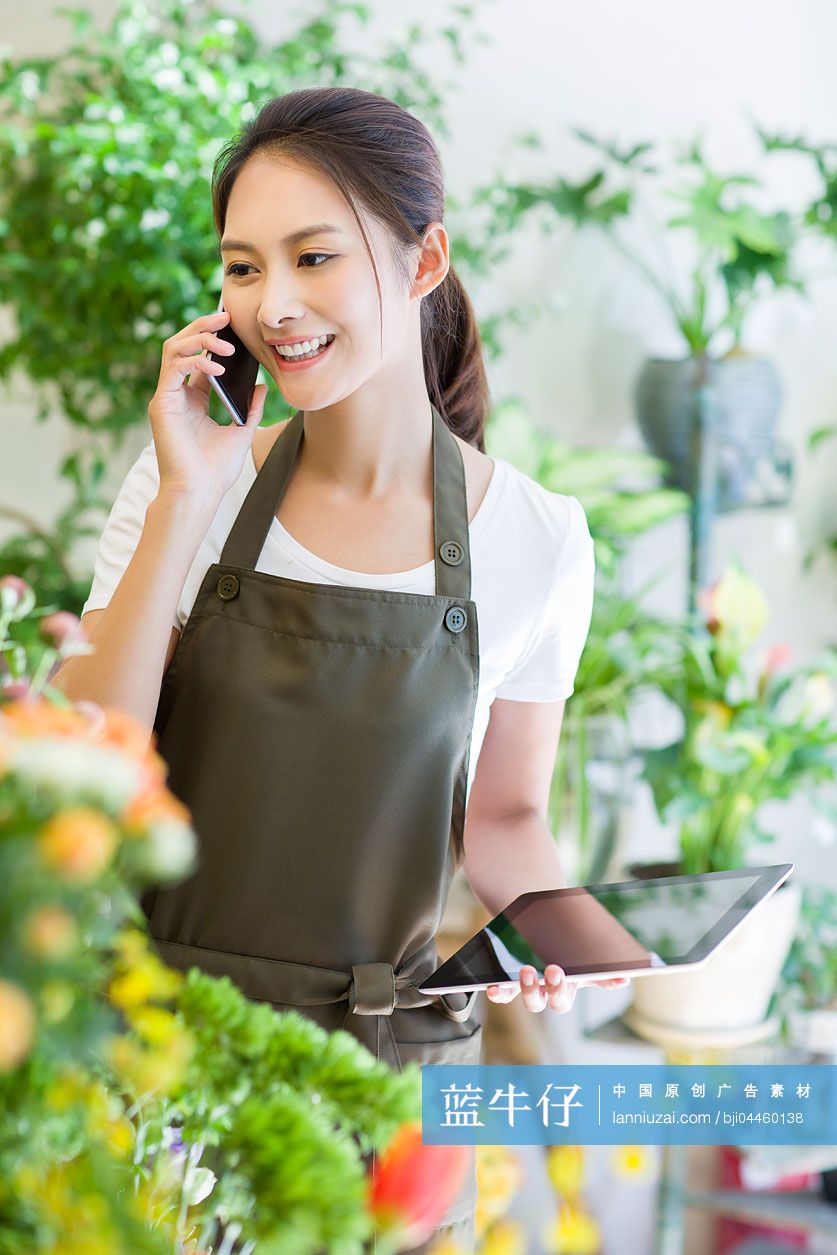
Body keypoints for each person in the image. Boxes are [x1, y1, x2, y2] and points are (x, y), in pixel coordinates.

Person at [57, 85, 629, 1252]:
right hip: (164, 1063)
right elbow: (84, 769)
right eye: (242, 268)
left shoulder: (537, 538)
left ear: (425, 262)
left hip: (391, 1089)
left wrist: (575, 945)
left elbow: (509, 819)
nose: (273, 304)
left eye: (313, 256)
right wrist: (184, 494)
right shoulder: (189, 488)